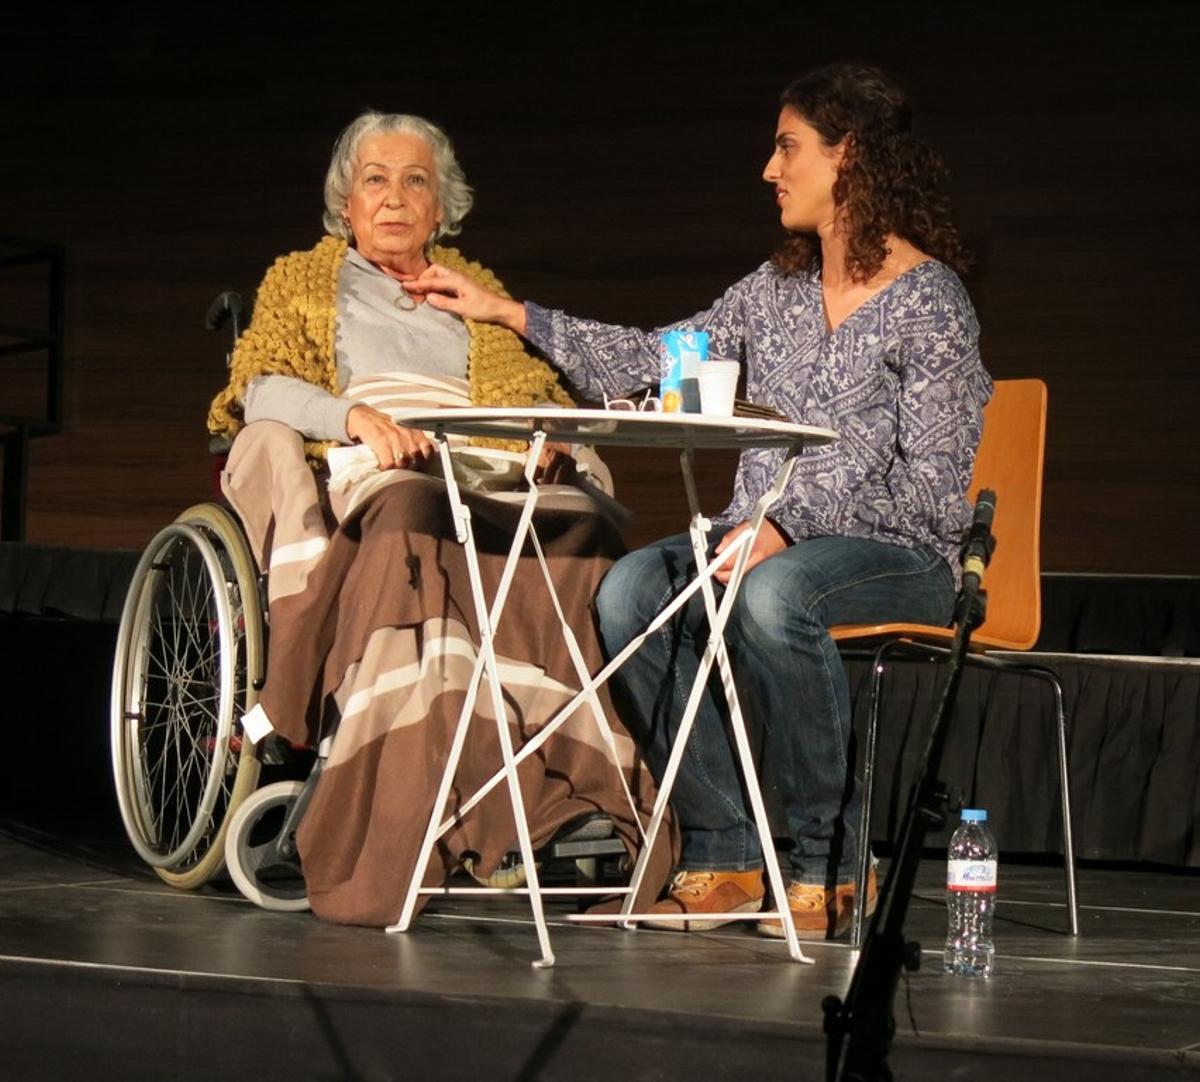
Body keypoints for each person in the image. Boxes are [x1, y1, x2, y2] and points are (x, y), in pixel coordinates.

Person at [403, 63, 993, 939]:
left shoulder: (932, 304)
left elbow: (935, 492)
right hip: (760, 540)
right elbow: (656, 360)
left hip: (900, 559)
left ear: (850, 156)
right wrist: (509, 313)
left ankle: (832, 864)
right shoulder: (775, 291)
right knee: (633, 591)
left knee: (774, 593)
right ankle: (724, 852)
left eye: (789, 146)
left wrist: (788, 526)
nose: (769, 167)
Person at [207, 111, 676, 927]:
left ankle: (563, 778)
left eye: (414, 181)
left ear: (441, 207)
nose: (394, 198)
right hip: (376, 459)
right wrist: (356, 420)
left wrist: (545, 438)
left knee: (580, 522)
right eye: (375, 181)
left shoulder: (470, 293)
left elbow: (539, 394)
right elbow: (262, 387)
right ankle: (418, 777)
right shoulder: (305, 282)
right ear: (346, 206)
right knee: (416, 506)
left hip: (484, 465)